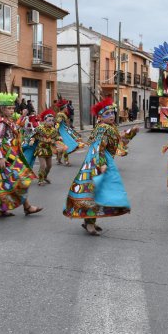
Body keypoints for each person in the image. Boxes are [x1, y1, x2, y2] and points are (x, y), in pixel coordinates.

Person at [64, 97, 131, 235]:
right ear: (100, 117)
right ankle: (89, 223)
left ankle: (89, 221)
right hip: (97, 162)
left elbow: (120, 142)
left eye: (112, 113)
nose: (111, 115)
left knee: (98, 191)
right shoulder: (103, 128)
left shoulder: (110, 127)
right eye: (107, 114)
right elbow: (99, 147)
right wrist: (102, 164)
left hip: (101, 161)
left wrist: (132, 133)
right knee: (94, 191)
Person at [0, 92, 42, 217]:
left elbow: (15, 129)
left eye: (12, 108)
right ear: (2, 109)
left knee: (7, 182)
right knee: (21, 179)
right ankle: (27, 207)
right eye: (9, 108)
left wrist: (22, 117)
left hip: (11, 154)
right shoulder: (1, 123)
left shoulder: (6, 120)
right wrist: (1, 158)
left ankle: (4, 209)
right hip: (6, 156)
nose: (11, 110)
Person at [32, 109, 63, 186]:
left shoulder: (54, 130)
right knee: (43, 165)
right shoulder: (40, 128)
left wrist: (59, 141)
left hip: (48, 149)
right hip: (41, 149)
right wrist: (32, 140)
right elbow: (33, 135)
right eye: (49, 120)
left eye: (52, 120)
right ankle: (40, 179)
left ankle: (45, 176)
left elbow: (57, 138)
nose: (51, 122)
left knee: (49, 166)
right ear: (45, 121)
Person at [55, 98, 85, 166]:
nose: (67, 108)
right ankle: (66, 161)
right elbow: (57, 123)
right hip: (62, 132)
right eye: (66, 107)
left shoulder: (61, 114)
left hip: (64, 131)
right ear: (64, 108)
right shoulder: (61, 115)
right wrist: (57, 133)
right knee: (66, 146)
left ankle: (59, 160)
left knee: (63, 147)